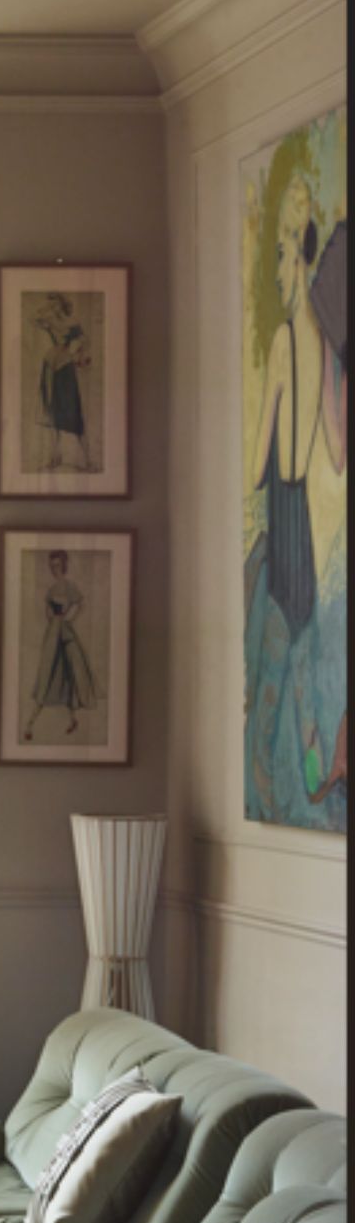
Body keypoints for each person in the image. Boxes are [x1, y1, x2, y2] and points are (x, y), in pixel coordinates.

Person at [247, 169, 348, 812]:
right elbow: (338, 455)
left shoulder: (286, 341)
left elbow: (257, 461)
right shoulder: (323, 345)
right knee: (306, 691)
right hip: (306, 550)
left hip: (282, 539)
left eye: (281, 254)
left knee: (271, 689)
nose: (279, 270)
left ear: (295, 249)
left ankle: (271, 793)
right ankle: (315, 784)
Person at [24, 548, 97, 742]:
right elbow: (47, 610)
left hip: (64, 635)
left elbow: (81, 604)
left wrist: (68, 620)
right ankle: (31, 724)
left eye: (57, 564)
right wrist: (53, 621)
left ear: (63, 565)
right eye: (51, 565)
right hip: (52, 636)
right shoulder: (52, 589)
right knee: (47, 677)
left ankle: (36, 724)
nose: (53, 568)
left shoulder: (69, 586)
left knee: (66, 679)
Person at [33, 292, 92, 473]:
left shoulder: (72, 322)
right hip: (50, 368)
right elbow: (33, 318)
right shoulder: (49, 321)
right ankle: (54, 457)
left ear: (63, 304)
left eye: (56, 305)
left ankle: (88, 461)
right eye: (51, 306)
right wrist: (47, 310)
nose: (53, 309)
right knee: (51, 411)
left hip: (65, 368)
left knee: (72, 411)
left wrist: (78, 356)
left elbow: (85, 341)